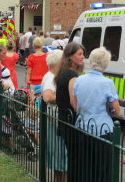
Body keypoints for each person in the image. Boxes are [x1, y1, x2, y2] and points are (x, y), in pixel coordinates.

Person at [73, 47, 119, 182]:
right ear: (106, 63)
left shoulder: (79, 80)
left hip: (82, 128)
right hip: (102, 130)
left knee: (86, 169)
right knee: (103, 171)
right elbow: (116, 111)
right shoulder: (107, 83)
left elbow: (76, 106)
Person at [55, 42, 85, 182]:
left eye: (83, 54)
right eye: (79, 54)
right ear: (70, 56)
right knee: (76, 159)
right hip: (70, 122)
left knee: (73, 157)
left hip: (64, 119)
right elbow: (75, 103)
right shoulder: (72, 75)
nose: (82, 57)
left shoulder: (62, 72)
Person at [42, 50, 67, 181]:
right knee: (59, 158)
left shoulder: (52, 76)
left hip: (55, 121)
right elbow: (48, 96)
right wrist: (66, 99)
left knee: (60, 159)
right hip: (54, 122)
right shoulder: (51, 77)